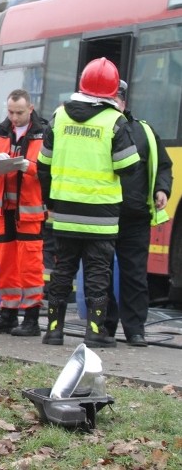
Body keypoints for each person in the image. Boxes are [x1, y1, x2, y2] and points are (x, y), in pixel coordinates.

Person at [37, 57, 139, 348]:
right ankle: (95, 332)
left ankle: (53, 331)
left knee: (62, 269)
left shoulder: (59, 116)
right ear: (111, 90)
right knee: (97, 273)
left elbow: (43, 164)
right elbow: (128, 165)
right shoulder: (114, 121)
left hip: (65, 211)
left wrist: (51, 201)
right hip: (102, 214)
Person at [106, 80, 172, 347]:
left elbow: (163, 165)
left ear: (124, 102)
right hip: (103, 216)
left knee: (134, 275)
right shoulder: (101, 130)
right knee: (101, 276)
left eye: (117, 99)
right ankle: (104, 327)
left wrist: (162, 189)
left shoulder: (144, 131)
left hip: (135, 218)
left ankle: (136, 330)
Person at [0, 89, 48, 336]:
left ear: (30, 109)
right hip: (4, 210)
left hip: (29, 211)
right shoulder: (0, 130)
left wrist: (26, 167)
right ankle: (7, 314)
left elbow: (48, 168)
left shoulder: (44, 133)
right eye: (10, 112)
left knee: (30, 264)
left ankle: (31, 318)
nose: (14, 117)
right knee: (6, 263)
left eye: (19, 112)